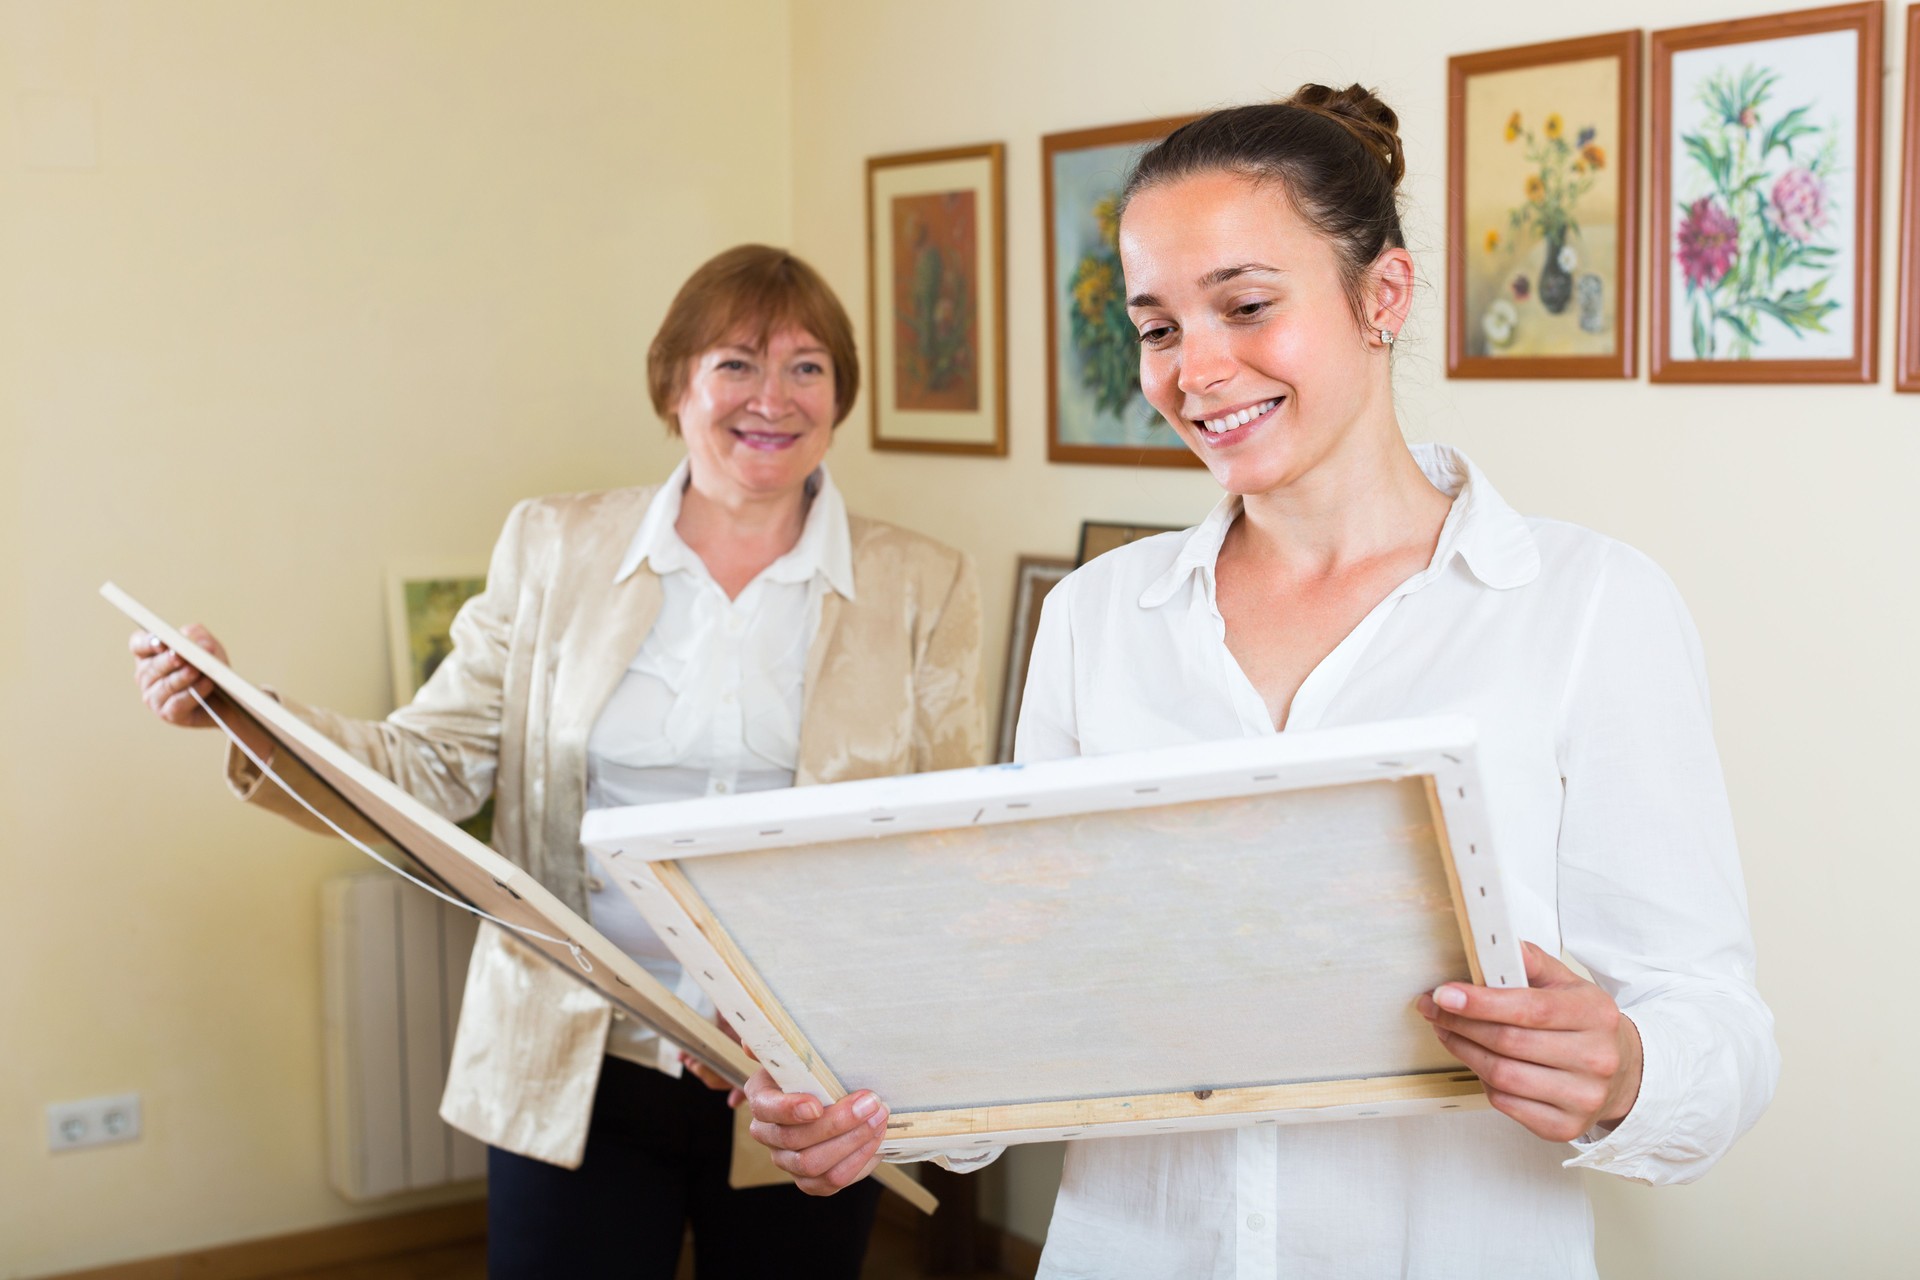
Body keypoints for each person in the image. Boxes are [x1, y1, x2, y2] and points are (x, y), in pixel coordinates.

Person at [742, 88, 1778, 1278]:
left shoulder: (1588, 603)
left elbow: (1720, 1026)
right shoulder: (1096, 621)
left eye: (1245, 306)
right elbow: (1028, 1010)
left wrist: (1631, 1068)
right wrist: (875, 1099)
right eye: (1159, 327)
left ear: (1381, 295)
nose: (1198, 370)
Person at [130, 244, 985, 1279]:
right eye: (736, 364)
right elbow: (431, 764)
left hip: (804, 1075)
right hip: (573, 1058)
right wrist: (246, 713)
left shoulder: (923, 583)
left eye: (808, 366)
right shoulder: (552, 546)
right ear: (674, 381)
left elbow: (942, 848)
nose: (773, 398)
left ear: (840, 393)